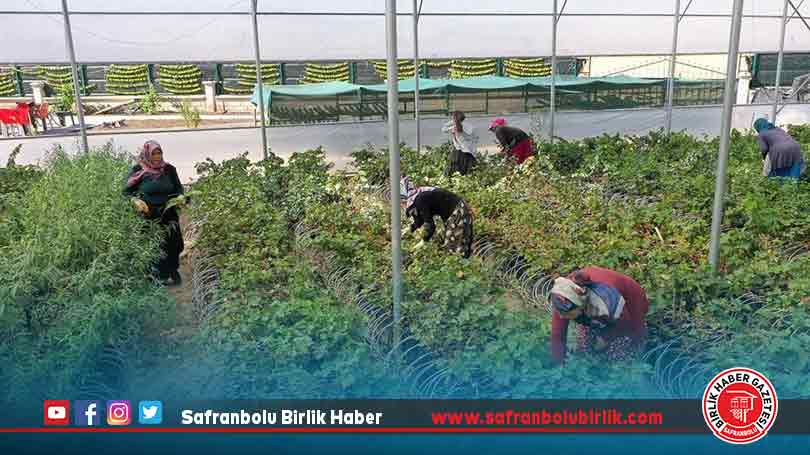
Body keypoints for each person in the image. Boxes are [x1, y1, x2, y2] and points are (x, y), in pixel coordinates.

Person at [549, 266, 649, 364]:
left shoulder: (606, 301)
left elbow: (624, 326)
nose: (561, 316)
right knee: (584, 347)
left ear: (579, 306)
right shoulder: (562, 299)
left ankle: (640, 361)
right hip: (590, 306)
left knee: (627, 345)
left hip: (632, 299)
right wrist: (558, 365)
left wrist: (605, 339)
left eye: (564, 314)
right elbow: (557, 336)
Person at [123, 140, 185, 285]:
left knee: (174, 243)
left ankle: (172, 270)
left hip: (169, 214)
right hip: (148, 216)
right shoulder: (138, 170)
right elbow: (126, 192)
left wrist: (181, 197)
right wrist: (135, 201)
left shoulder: (169, 169)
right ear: (147, 154)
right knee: (154, 244)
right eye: (154, 154)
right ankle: (155, 276)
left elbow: (178, 189)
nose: (157, 156)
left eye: (159, 153)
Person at [400, 176, 473, 258]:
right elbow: (419, 220)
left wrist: (423, 241)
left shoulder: (419, 200)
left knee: (454, 245)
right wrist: (409, 230)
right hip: (454, 212)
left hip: (458, 211)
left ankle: (463, 262)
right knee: (455, 244)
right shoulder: (417, 199)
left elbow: (430, 225)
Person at [441, 111, 478, 176]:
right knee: (468, 173)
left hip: (459, 153)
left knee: (452, 173)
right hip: (469, 153)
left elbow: (443, 129)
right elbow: (475, 140)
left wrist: (453, 122)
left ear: (454, 119)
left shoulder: (454, 128)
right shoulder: (469, 126)